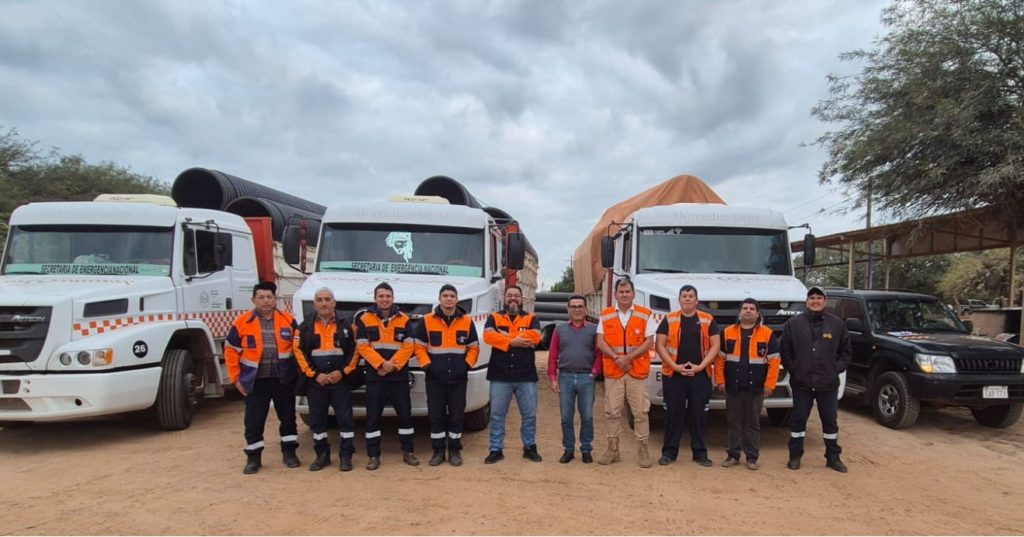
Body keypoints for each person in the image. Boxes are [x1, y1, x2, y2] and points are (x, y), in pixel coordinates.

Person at [225, 281, 301, 475]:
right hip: (255, 381)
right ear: (253, 300)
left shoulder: (289, 320)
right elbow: (231, 351)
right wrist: (236, 379)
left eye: (269, 297)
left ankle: (290, 453)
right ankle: (253, 458)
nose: (266, 301)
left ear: (275, 299)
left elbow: (299, 350)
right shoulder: (241, 323)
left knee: (288, 418)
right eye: (261, 297)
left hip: (283, 380)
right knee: (254, 420)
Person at [780, 286, 852, 473]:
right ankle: (795, 456)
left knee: (830, 422)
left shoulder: (837, 324)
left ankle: (833, 457)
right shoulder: (793, 324)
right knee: (798, 422)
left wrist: (835, 369)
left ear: (825, 302)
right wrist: (794, 369)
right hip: (802, 383)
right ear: (807, 302)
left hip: (827, 384)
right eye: (811, 298)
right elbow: (785, 350)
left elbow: (846, 352)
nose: (815, 301)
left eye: (819, 298)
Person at [412, 284, 480, 467]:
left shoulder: (466, 321)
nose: (449, 298)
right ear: (440, 299)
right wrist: (427, 366)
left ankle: (455, 450)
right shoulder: (427, 320)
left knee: (457, 415)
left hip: (458, 378)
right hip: (435, 379)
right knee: (436, 415)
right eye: (445, 295)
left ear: (457, 299)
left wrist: (466, 366)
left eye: (452, 295)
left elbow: (474, 347)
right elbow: (418, 346)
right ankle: (438, 451)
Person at [354, 282, 420, 470]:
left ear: (393, 298)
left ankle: (408, 452)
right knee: (373, 416)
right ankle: (373, 455)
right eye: (381, 296)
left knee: (405, 416)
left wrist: (392, 366)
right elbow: (362, 346)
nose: (384, 299)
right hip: (376, 376)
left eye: (388, 296)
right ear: (375, 298)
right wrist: (381, 364)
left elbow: (409, 346)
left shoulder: (404, 319)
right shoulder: (365, 319)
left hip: (398, 377)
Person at [293, 287, 360, 472]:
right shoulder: (304, 327)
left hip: (341, 382)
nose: (324, 303)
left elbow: (355, 351)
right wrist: (315, 375)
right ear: (314, 304)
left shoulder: (346, 325)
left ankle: (346, 456)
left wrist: (343, 372)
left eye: (327, 299)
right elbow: (298, 352)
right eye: (320, 299)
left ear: (334, 303)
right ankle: (322, 455)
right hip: (316, 383)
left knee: (345, 420)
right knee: (317, 421)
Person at [654, 285, 721, 467]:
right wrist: (675, 366)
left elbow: (715, 345)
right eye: (684, 296)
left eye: (691, 296)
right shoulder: (669, 319)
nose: (688, 299)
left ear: (697, 300)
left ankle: (700, 453)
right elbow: (659, 345)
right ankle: (669, 453)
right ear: (679, 300)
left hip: (700, 376)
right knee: (673, 415)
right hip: (674, 375)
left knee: (699, 416)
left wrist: (701, 367)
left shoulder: (708, 320)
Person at [595, 278, 657, 468]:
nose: (624, 295)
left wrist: (627, 358)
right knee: (612, 412)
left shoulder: (645, 314)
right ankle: (613, 450)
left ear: (633, 293)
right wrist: (617, 358)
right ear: (615, 294)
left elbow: (649, 341)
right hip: (614, 372)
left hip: (636, 371)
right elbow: (600, 341)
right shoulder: (605, 315)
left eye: (627, 291)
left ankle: (643, 451)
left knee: (640, 413)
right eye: (620, 292)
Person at [714, 297, 780, 470]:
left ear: (758, 313)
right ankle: (733, 455)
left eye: (752, 308)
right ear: (740, 312)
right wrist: (720, 380)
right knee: (733, 422)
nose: (748, 311)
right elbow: (719, 359)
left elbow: (774, 362)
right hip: (733, 387)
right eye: (745, 308)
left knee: (752, 423)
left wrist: (770, 385)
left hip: (756, 388)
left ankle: (752, 457)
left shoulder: (767, 334)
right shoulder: (727, 332)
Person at [483, 285, 543, 464]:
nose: (513, 298)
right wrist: (515, 341)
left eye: (516, 295)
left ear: (522, 299)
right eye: (509, 295)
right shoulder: (494, 317)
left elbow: (536, 337)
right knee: (497, 415)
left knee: (529, 415)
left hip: (526, 376)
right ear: (504, 297)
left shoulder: (531, 318)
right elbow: (488, 337)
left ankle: (530, 447)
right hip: (500, 375)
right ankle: (496, 449)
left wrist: (505, 337)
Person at [547, 294, 602, 464]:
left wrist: (594, 372)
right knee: (566, 417)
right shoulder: (560, 330)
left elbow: (600, 353)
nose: (577, 309)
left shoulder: (594, 329)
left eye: (580, 306)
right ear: (568, 309)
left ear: (585, 309)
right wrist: (553, 378)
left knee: (587, 416)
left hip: (586, 377)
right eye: (573, 306)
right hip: (566, 377)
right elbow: (553, 355)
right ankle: (568, 449)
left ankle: (586, 449)